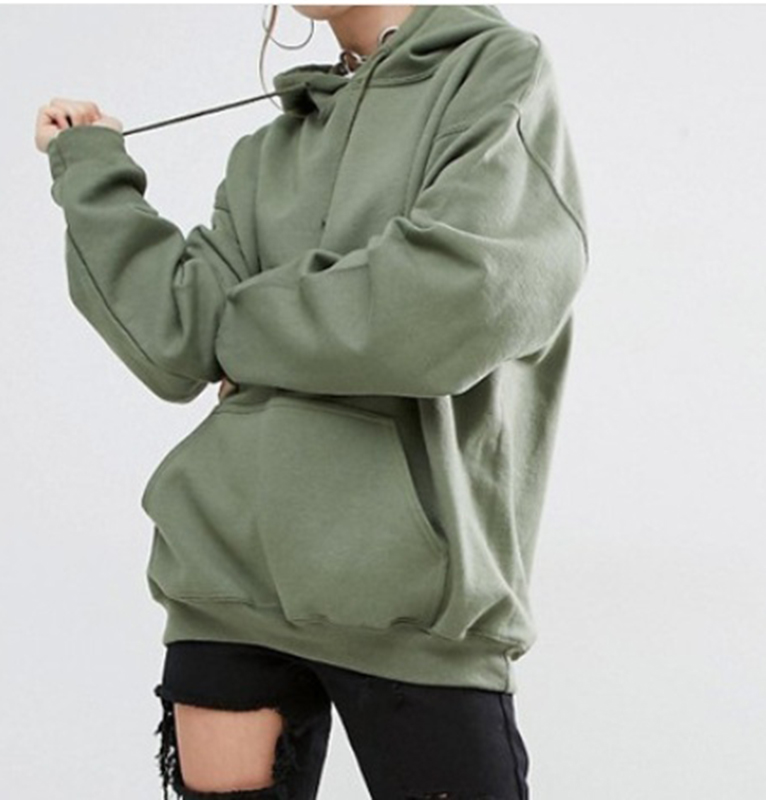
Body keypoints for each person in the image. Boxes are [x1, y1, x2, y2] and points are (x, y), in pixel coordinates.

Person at [36, 4, 589, 798]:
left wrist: (237, 328)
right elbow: (176, 340)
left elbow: (450, 302)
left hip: (411, 607)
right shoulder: (270, 150)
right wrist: (90, 173)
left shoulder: (494, 71)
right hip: (225, 581)